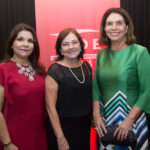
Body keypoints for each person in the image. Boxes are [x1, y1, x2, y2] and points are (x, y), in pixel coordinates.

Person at [92, 7, 150, 150]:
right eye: (109, 23)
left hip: (132, 122)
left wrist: (129, 120)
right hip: (106, 125)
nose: (114, 27)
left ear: (127, 27)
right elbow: (95, 87)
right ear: (104, 28)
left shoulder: (139, 52)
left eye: (119, 23)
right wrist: (96, 115)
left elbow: (147, 91)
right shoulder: (101, 54)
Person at [0, 23, 48, 150]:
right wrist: (7, 143)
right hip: (13, 138)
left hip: (39, 136)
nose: (25, 44)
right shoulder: (2, 70)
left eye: (30, 41)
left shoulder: (40, 70)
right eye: (20, 39)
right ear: (11, 44)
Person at [45, 28, 92, 150]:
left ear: (81, 45)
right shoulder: (54, 71)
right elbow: (50, 108)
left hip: (83, 127)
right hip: (62, 128)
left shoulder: (86, 66)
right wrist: (60, 138)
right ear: (60, 49)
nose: (71, 47)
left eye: (74, 42)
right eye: (65, 44)